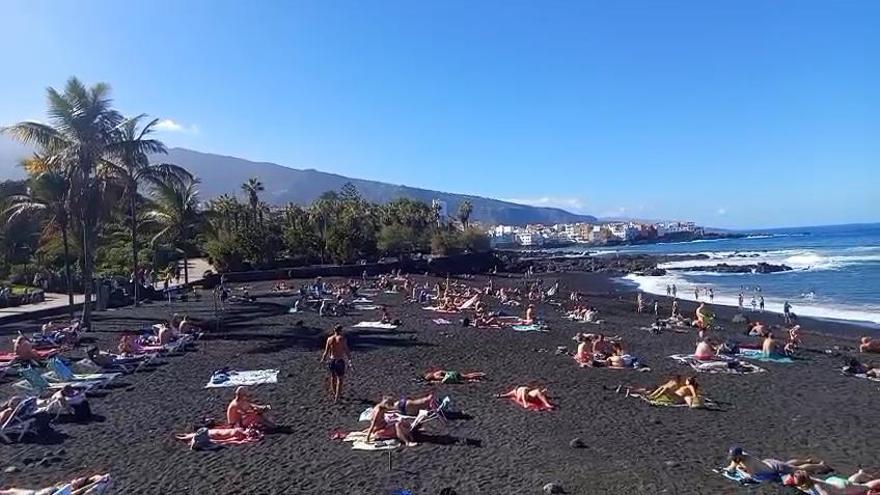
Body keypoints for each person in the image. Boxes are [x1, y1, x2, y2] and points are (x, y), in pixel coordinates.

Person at [725, 447, 830, 481]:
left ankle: (821, 466)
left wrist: (742, 472)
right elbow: (731, 466)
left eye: (734, 457)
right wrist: (729, 469)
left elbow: (751, 476)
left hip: (775, 467)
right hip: (768, 463)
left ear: (739, 455)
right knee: (788, 464)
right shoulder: (739, 457)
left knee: (797, 469)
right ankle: (807, 460)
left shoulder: (748, 462)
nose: (733, 459)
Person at [320, 325, 351, 403]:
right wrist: (350, 359)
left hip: (332, 360)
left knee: (333, 378)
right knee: (340, 379)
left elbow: (326, 351)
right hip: (339, 360)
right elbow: (346, 350)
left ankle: (334, 393)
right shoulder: (342, 339)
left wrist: (323, 359)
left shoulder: (329, 339)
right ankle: (337, 396)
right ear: (340, 331)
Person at [785, 469, 880, 495]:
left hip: (841, 487)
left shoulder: (817, 486)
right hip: (832, 481)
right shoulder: (807, 480)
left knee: (866, 487)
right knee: (851, 484)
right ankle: (860, 474)